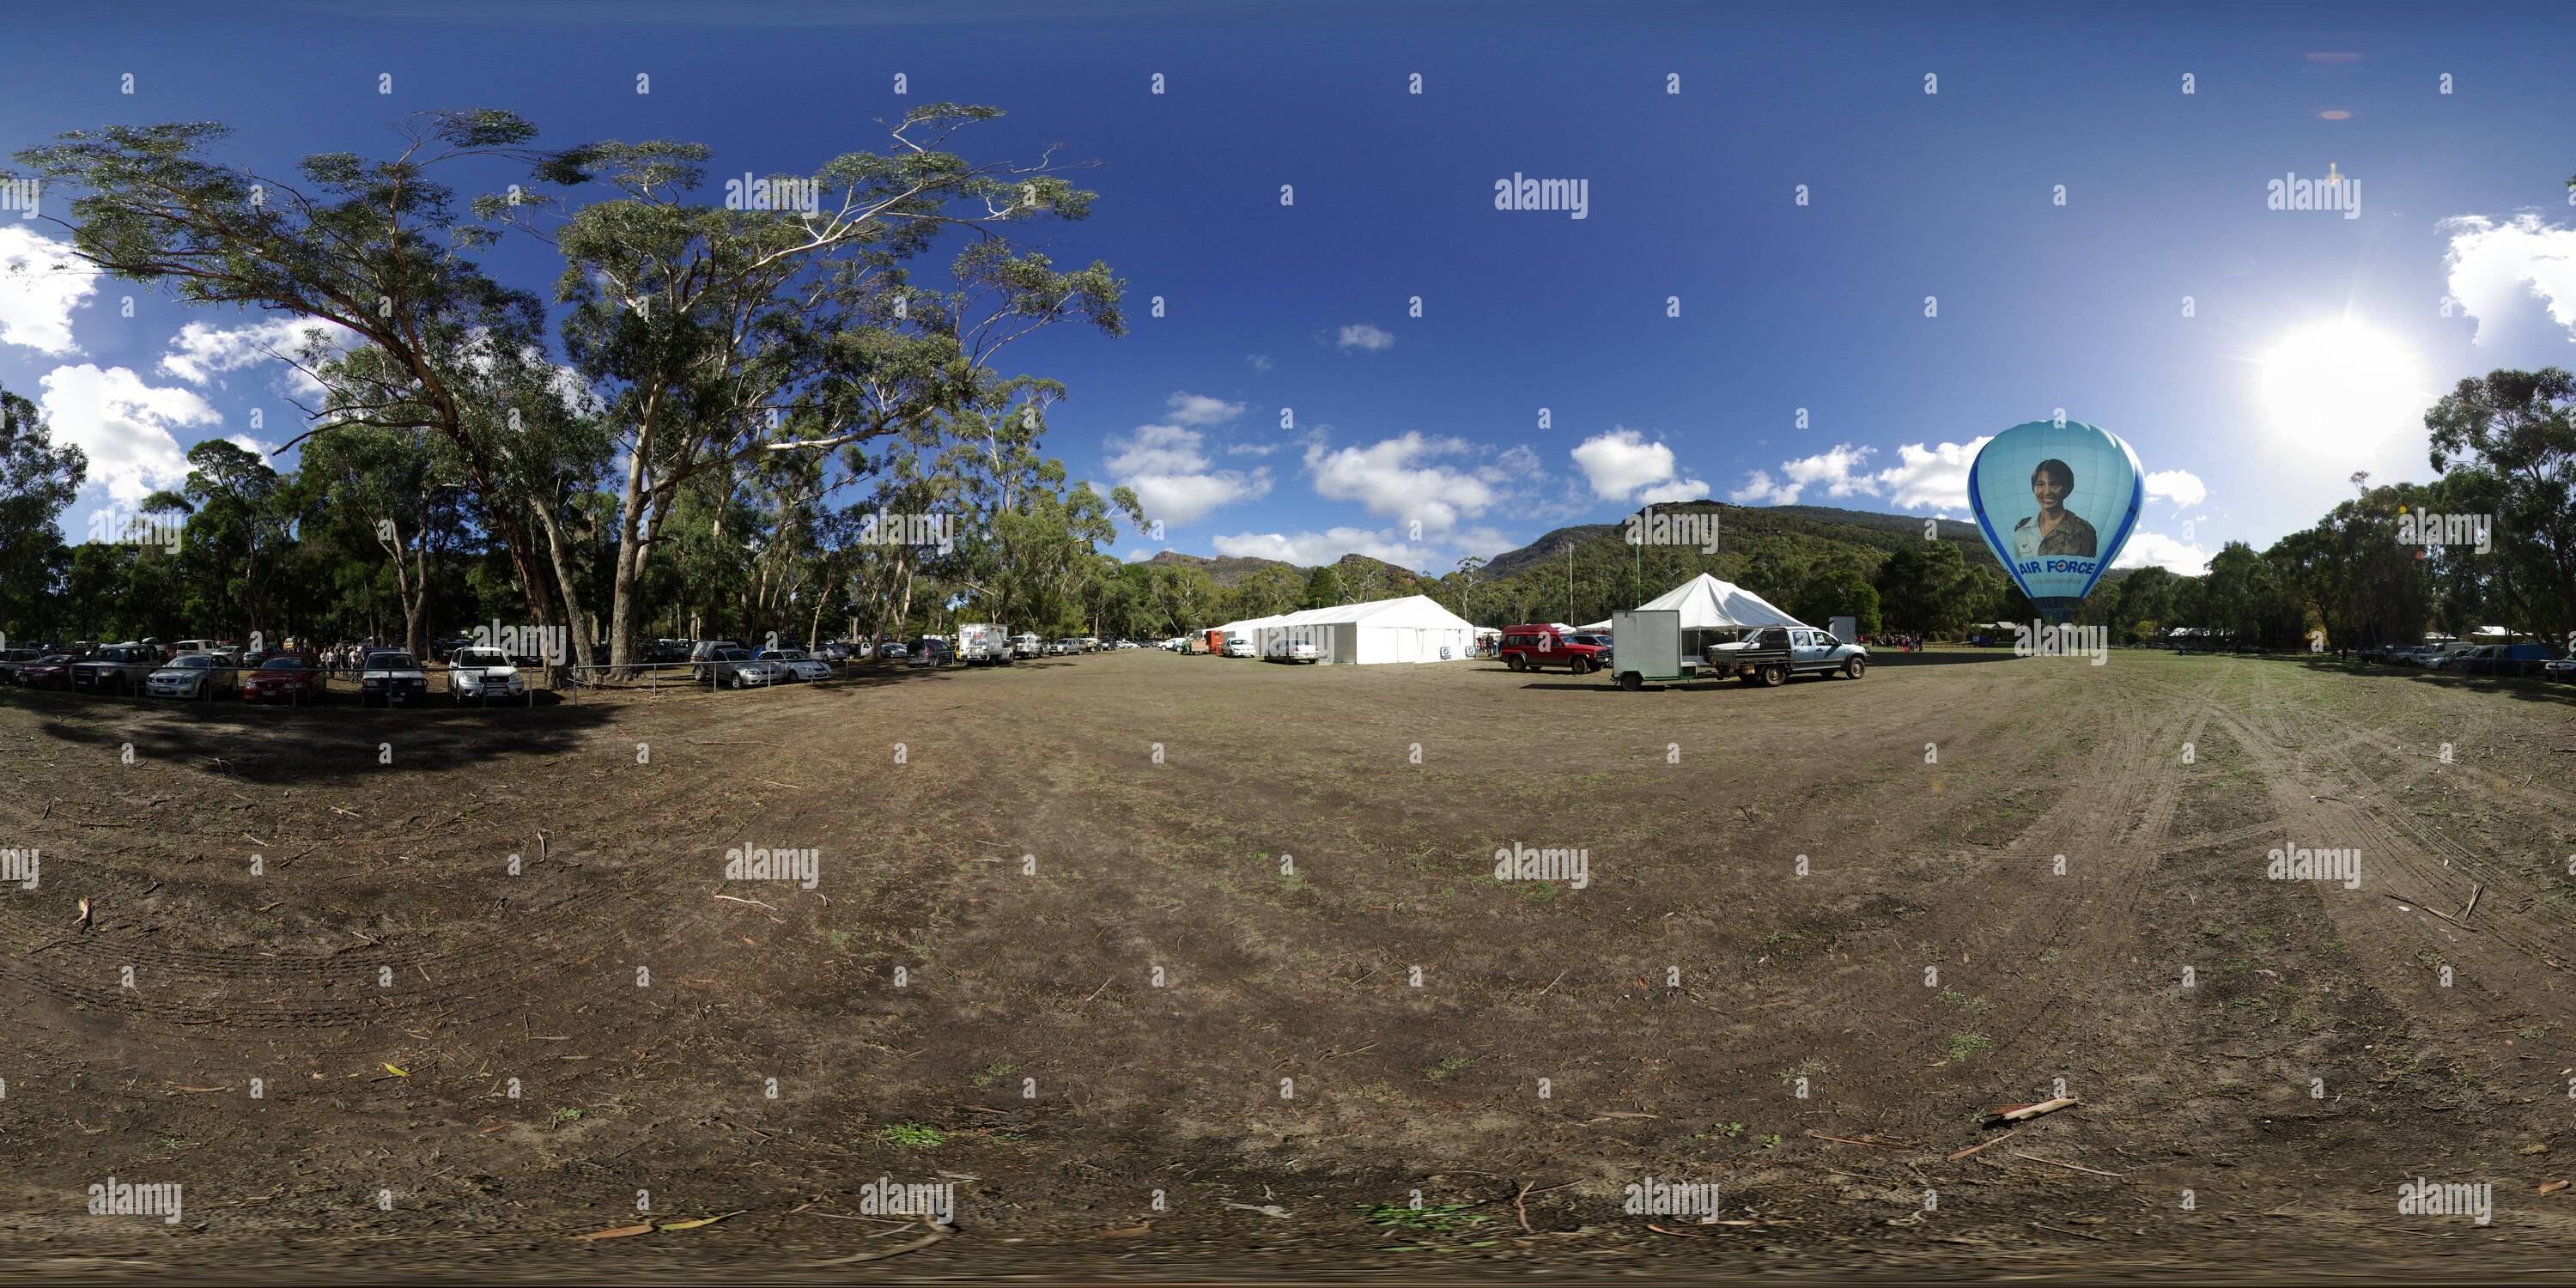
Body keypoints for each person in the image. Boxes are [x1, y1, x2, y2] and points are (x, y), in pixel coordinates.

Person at [2012, 459, 2098, 558]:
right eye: (2040, 484)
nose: (2047, 492)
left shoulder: (2084, 531)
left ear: (2067, 489)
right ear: (2033, 488)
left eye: (2055, 484)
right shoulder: (2022, 531)